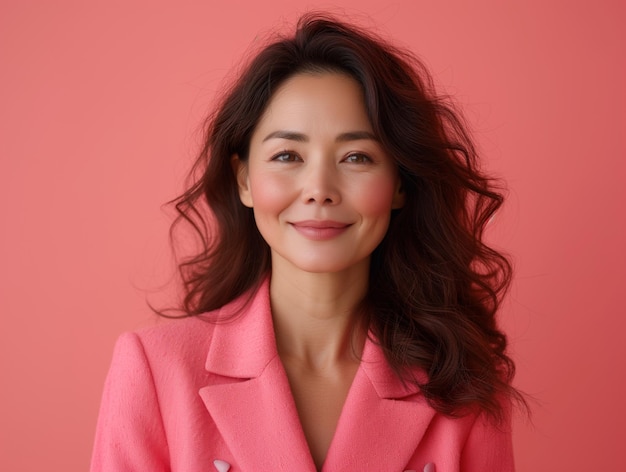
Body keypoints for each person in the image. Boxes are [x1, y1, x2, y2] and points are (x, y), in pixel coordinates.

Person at [91, 13, 524, 472]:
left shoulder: (464, 384)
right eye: (287, 156)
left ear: (400, 184)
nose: (319, 188)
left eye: (356, 156)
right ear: (244, 181)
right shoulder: (157, 369)